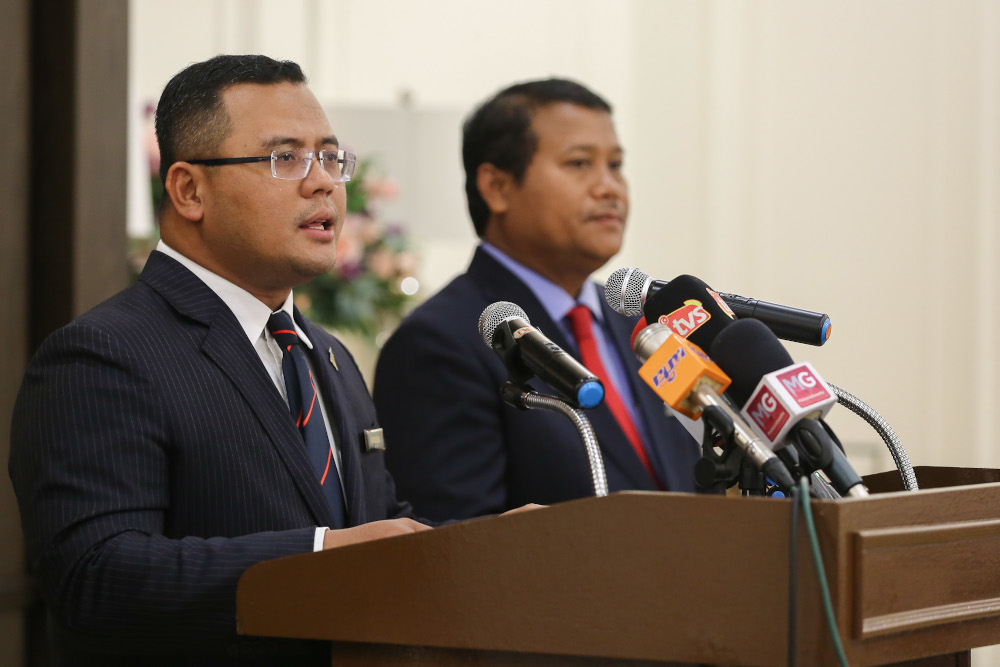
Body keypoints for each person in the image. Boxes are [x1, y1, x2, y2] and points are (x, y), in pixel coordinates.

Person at [9, 54, 435, 665]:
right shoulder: (104, 354)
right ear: (188, 189)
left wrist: (489, 548)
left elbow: (380, 528)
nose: (323, 183)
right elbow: (97, 578)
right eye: (285, 158)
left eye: (331, 157)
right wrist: (322, 555)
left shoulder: (329, 356)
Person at [373, 79, 701, 522]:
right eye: (580, 163)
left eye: (616, 164)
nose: (610, 188)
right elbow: (449, 549)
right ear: (498, 187)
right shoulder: (440, 342)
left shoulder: (640, 324)